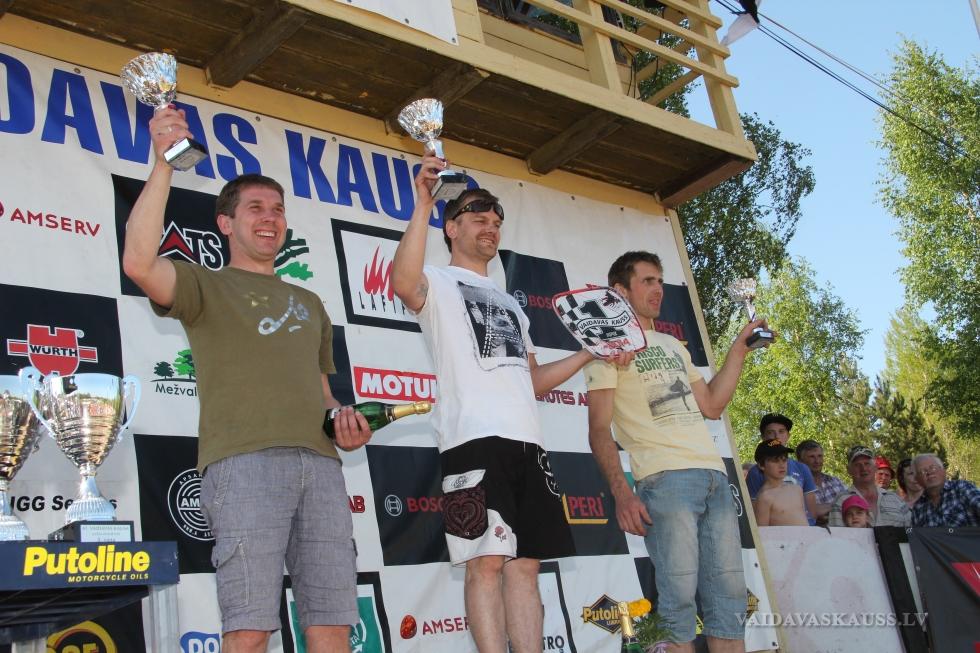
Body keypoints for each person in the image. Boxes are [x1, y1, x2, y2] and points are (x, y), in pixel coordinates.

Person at [123, 106, 373, 653]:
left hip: (321, 467)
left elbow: (323, 394)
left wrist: (342, 423)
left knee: (332, 625)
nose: (270, 218)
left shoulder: (310, 301)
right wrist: (163, 165)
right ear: (226, 223)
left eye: (278, 209)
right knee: (249, 627)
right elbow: (139, 263)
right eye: (255, 208)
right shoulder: (205, 285)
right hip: (243, 465)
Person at [390, 153, 632, 653]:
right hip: (472, 440)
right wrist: (422, 204)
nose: (490, 228)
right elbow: (402, 283)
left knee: (526, 565)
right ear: (451, 228)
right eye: (478, 218)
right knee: (486, 564)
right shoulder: (437, 280)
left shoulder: (511, 305)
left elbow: (534, 381)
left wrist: (589, 352)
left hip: (528, 443)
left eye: (496, 222)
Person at [586, 250, 773, 653]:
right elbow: (598, 429)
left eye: (660, 280)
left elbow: (712, 405)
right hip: (664, 481)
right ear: (620, 290)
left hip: (714, 477)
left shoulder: (673, 344)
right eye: (647, 281)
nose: (658, 289)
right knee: (678, 608)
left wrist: (738, 350)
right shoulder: (608, 348)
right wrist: (622, 492)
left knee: (729, 605)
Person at [744, 414, 818, 524]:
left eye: (781, 431)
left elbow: (811, 513)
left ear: (788, 435)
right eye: (770, 432)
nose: (777, 436)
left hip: (809, 532)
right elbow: (758, 523)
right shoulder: (758, 480)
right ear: (763, 436)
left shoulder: (798, 482)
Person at [828, 446, 910, 527]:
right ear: (849, 470)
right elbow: (837, 534)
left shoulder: (894, 499)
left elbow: (912, 530)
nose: (863, 468)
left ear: (875, 466)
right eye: (857, 465)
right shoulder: (841, 501)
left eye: (867, 463)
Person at [910, 453, 980, 527]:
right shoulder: (918, 508)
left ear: (943, 470)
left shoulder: (961, 488)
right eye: (922, 471)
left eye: (933, 467)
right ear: (917, 479)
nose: (929, 472)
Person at [753, 439, 808, 526]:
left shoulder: (797, 489)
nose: (782, 465)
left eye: (784, 460)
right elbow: (762, 532)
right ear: (761, 465)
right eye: (775, 460)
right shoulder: (764, 497)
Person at [795, 439, 846, 526]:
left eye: (820, 456)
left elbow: (850, 507)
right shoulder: (796, 486)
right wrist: (837, 507)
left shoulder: (836, 481)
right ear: (800, 461)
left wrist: (819, 510)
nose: (817, 461)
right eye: (811, 457)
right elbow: (800, 513)